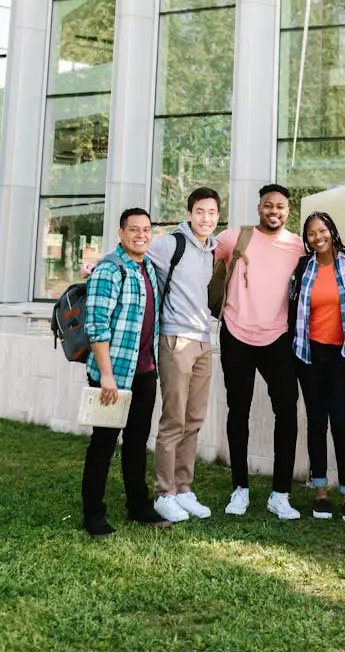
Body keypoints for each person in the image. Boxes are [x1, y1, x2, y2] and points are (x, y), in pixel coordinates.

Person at [216, 184, 304, 519]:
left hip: (277, 337)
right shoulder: (234, 237)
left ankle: (280, 494)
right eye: (268, 205)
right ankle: (240, 488)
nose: (274, 212)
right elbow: (199, 251)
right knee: (238, 410)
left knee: (287, 411)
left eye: (280, 207)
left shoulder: (297, 246)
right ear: (259, 208)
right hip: (236, 333)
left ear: (287, 211)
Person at [81, 208, 170, 537]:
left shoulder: (147, 266)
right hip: (113, 373)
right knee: (103, 444)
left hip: (145, 371)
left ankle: (138, 506)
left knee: (136, 442)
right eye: (134, 230)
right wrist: (105, 375)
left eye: (146, 230)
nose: (141, 235)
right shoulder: (109, 269)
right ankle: (93, 513)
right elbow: (97, 326)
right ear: (120, 233)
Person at [151, 187, 220, 524]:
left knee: (193, 421)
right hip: (176, 338)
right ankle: (164, 493)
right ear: (190, 213)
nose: (206, 218)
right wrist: (97, 264)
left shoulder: (212, 249)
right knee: (173, 420)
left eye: (212, 212)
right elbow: (132, 250)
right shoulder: (170, 243)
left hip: (205, 341)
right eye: (200, 211)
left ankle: (183, 488)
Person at [291, 211, 345, 523]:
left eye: (322, 230)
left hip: (341, 355)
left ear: (332, 231)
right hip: (309, 354)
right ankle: (320, 491)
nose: (317, 237)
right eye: (311, 233)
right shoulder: (304, 266)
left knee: (341, 424)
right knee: (316, 423)